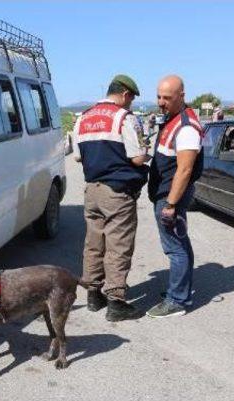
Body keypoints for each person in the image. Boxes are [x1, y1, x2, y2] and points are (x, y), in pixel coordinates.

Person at [74, 74, 150, 322]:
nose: (131, 104)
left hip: (92, 190)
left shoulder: (83, 117)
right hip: (117, 192)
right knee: (118, 245)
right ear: (126, 94)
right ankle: (116, 301)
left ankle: (94, 295)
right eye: (132, 99)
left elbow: (77, 156)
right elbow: (138, 158)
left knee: (93, 243)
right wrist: (146, 153)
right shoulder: (124, 118)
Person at [147, 75, 203, 318]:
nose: (161, 102)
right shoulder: (173, 119)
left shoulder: (187, 128)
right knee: (180, 243)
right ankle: (182, 290)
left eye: (167, 98)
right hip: (167, 192)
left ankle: (177, 300)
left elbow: (185, 169)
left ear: (182, 96)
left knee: (175, 248)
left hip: (171, 195)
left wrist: (170, 204)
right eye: (159, 96)